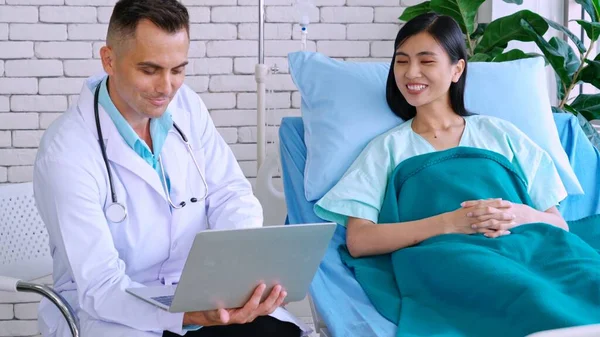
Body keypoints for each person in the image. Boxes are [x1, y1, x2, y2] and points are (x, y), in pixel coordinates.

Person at [32, 0, 308, 336]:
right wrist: (190, 314)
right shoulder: (67, 151)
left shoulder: (186, 106)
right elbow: (100, 287)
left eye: (177, 70)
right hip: (113, 314)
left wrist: (238, 276)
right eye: (149, 70)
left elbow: (230, 194)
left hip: (199, 293)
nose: (166, 88)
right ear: (109, 60)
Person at [314, 12, 569, 258]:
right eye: (402, 61)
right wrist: (450, 223)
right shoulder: (387, 148)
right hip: (448, 263)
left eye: (426, 61)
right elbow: (360, 240)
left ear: (457, 70)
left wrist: (515, 214)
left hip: (526, 251)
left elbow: (559, 225)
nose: (411, 72)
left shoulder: (501, 135)